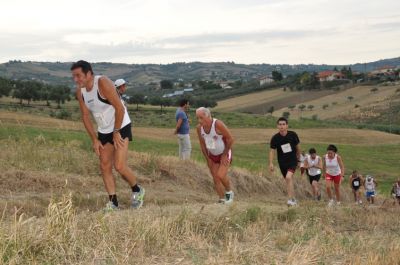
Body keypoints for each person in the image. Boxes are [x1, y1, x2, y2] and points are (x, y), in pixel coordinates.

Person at [71, 60, 144, 211]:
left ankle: (137, 190)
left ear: (89, 74)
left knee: (119, 166)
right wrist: (94, 139)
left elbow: (120, 108)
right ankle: (113, 203)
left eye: (78, 76)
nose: (76, 80)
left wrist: (116, 131)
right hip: (104, 130)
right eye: (74, 76)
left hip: (121, 125)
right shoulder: (81, 92)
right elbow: (85, 116)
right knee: (104, 165)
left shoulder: (103, 83)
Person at [196, 107, 234, 204]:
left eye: (201, 118)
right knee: (215, 178)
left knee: (221, 175)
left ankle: (229, 193)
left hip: (224, 153)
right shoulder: (199, 128)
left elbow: (230, 139)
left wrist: (225, 155)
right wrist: (207, 158)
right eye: (197, 118)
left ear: (208, 116)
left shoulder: (217, 124)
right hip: (212, 155)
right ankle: (221, 199)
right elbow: (202, 144)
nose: (199, 120)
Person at [269, 117, 301, 206]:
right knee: (288, 180)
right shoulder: (275, 138)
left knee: (288, 177)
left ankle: (290, 199)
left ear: (287, 125)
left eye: (283, 124)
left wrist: (299, 160)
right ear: (277, 126)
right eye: (280, 124)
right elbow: (272, 151)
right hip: (282, 163)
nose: (282, 126)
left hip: (292, 161)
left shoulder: (293, 135)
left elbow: (298, 148)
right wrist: (271, 163)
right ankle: (293, 199)